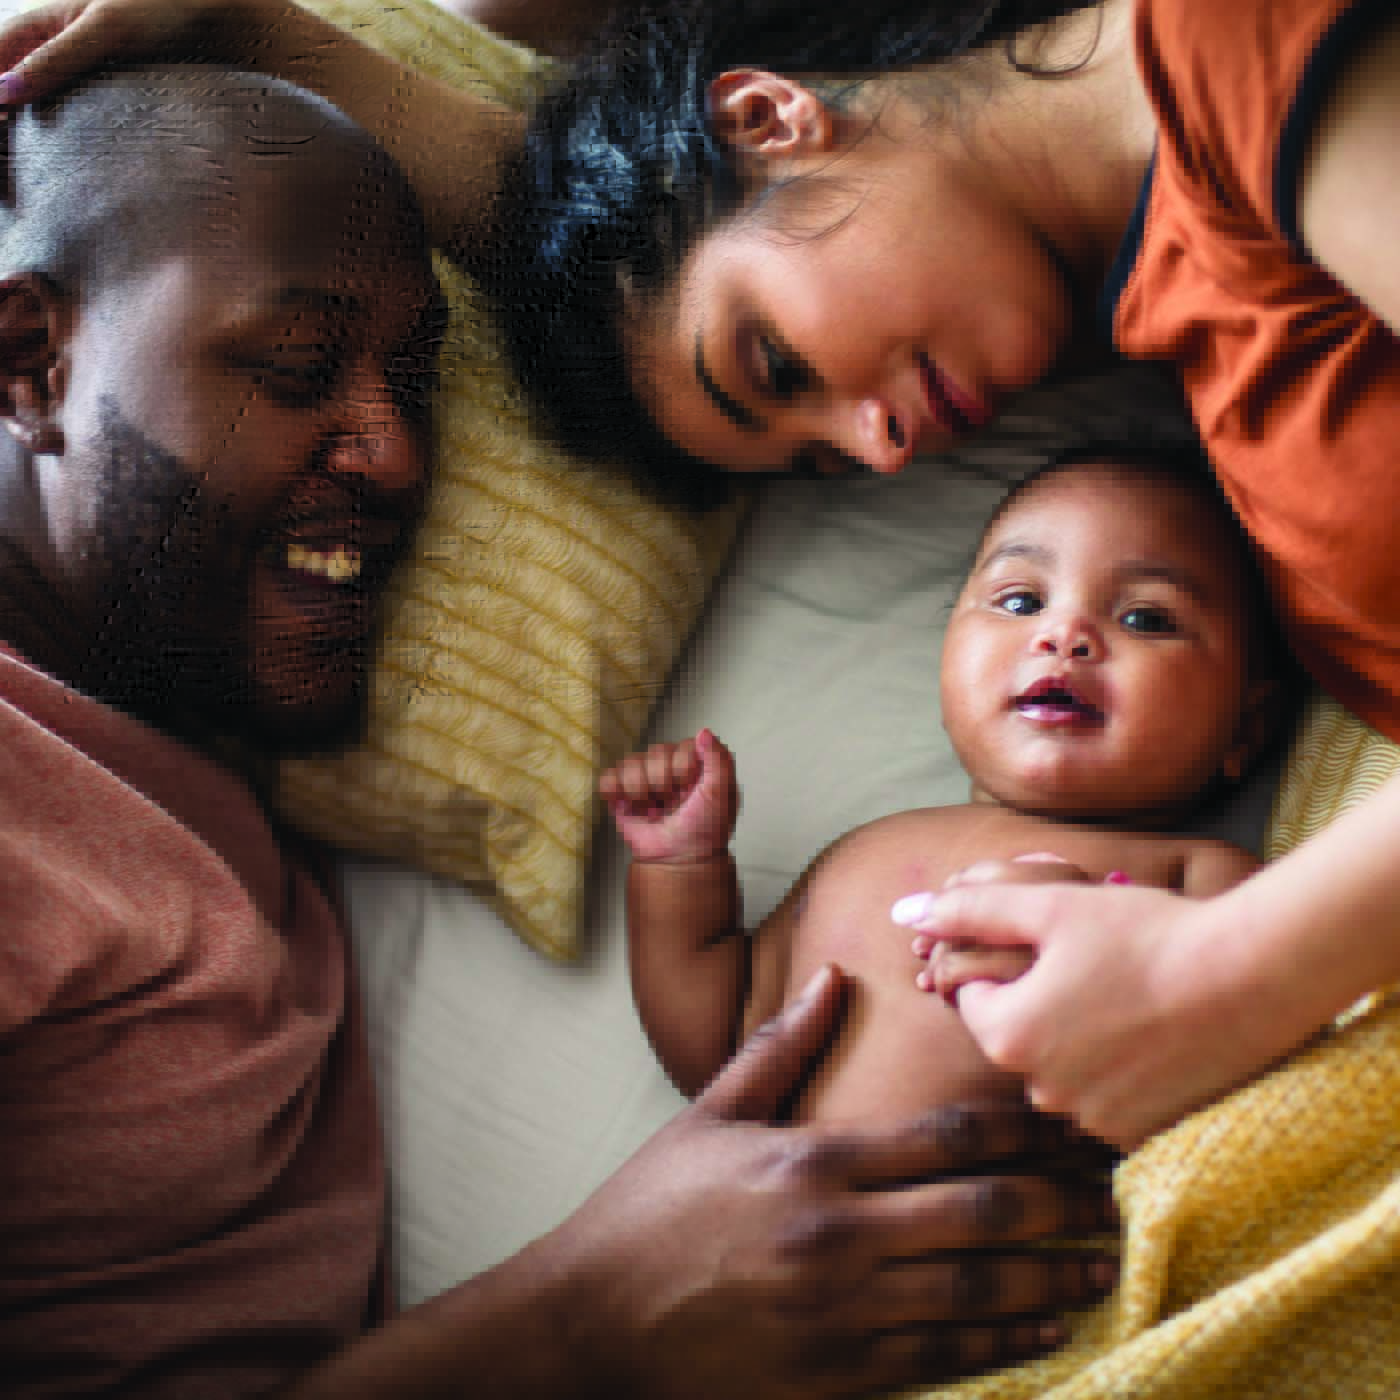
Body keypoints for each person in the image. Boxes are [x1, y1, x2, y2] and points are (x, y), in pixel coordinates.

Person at [13, 0, 1383, 1150]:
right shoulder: (1125, 271)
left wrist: (1232, 975)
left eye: (780, 370)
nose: (885, 444)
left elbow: (712, 216)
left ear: (772, 116)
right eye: (826, 464)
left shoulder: (1242, 57)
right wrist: (257, 32)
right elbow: (652, 235)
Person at [0, 61, 1117, 1400]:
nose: (402, 455)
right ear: (31, 361)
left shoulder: (167, 757)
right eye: (299, 367)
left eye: (414, 385)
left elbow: (660, 209)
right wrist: (590, 1317)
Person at [601, 448, 1289, 1132]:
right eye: (1021, 601)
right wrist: (679, 872)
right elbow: (721, 1057)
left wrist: (1118, 954)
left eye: (1145, 618)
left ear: (1245, 729)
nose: (1063, 634)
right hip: (775, 1228)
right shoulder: (857, 860)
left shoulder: (1203, 882)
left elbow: (1259, 1082)